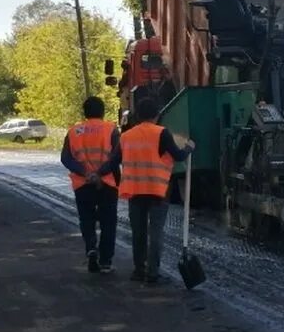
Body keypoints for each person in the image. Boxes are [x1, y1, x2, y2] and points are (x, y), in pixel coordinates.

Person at [114, 97, 194, 285]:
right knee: (156, 232)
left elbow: (114, 160)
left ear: (138, 115)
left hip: (135, 192)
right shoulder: (162, 133)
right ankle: (153, 273)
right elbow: (178, 155)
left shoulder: (126, 136)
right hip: (158, 192)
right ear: (157, 115)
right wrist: (190, 147)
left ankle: (138, 271)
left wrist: (99, 175)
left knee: (138, 233)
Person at [61, 96, 121, 274]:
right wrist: (99, 173)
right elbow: (117, 157)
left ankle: (91, 248)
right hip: (107, 183)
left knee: (86, 219)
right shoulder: (111, 130)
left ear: (85, 112)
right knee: (108, 222)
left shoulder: (74, 131)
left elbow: (66, 158)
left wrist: (85, 173)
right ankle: (106, 261)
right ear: (102, 112)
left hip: (83, 184)